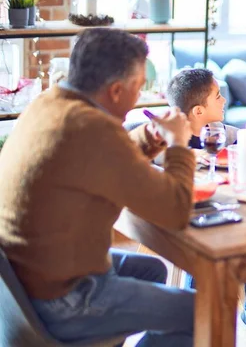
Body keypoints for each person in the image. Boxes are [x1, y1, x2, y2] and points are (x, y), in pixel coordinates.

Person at [0, 28, 197, 346]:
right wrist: (178, 145)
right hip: (62, 298)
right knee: (198, 311)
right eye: (138, 87)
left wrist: (151, 136)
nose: (140, 95)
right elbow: (176, 211)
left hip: (23, 283)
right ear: (117, 91)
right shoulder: (94, 129)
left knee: (151, 271)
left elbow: (104, 157)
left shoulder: (51, 103)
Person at [165, 68, 246, 347]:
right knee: (216, 242)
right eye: (218, 97)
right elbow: (161, 160)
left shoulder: (220, 132)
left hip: (220, 204)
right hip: (186, 219)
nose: (224, 101)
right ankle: (195, 314)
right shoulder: (171, 139)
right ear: (199, 110)